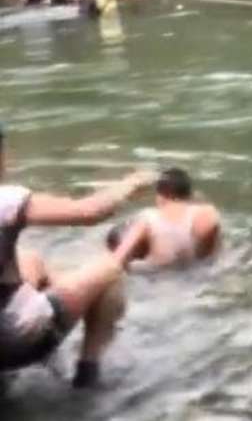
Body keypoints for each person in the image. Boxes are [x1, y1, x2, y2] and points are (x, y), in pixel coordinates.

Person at [0, 130, 153, 386]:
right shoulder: (6, 200)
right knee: (109, 268)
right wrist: (132, 183)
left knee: (31, 260)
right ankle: (87, 375)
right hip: (13, 340)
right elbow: (89, 212)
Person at [107, 168, 220, 268]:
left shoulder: (149, 218)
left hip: (155, 281)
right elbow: (211, 260)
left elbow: (118, 259)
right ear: (189, 194)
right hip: (196, 282)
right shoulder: (207, 214)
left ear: (161, 193)